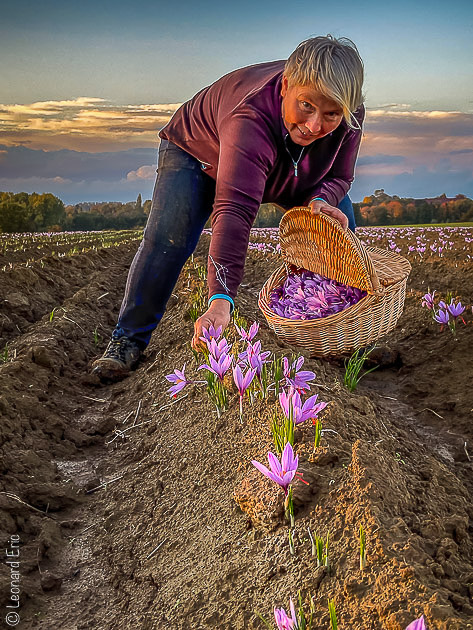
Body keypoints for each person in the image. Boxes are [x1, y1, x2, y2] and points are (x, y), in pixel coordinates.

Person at [92, 35, 365, 381]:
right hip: (199, 152)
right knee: (169, 238)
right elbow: (234, 212)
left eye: (330, 115)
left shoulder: (349, 112)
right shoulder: (248, 118)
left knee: (340, 222)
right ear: (285, 87)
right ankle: (127, 339)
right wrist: (221, 301)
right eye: (307, 106)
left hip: (289, 163)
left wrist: (321, 199)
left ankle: (345, 336)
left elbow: (341, 174)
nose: (314, 125)